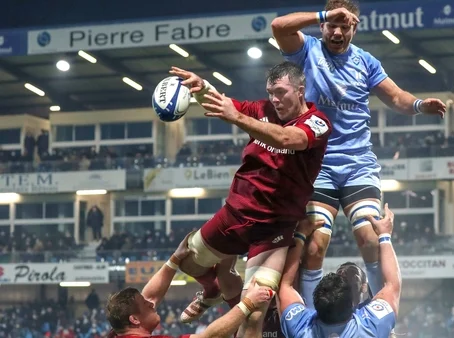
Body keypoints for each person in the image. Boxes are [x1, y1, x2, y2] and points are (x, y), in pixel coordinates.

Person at [271, 0, 446, 308]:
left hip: (357, 167)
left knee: (369, 237)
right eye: (332, 25)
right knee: (316, 244)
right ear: (323, 26)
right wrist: (322, 14)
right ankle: (315, 318)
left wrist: (419, 105)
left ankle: (381, 311)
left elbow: (396, 97)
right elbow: (278, 27)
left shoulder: (366, 62)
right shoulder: (307, 51)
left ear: (355, 28)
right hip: (317, 166)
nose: (337, 31)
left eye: (345, 25)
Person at [168, 62, 332, 335]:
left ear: (301, 90)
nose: (275, 100)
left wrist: (238, 118)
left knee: (254, 316)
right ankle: (211, 290)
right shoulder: (262, 110)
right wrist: (202, 87)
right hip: (234, 214)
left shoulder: (317, 122)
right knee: (187, 262)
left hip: (274, 230)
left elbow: (286, 138)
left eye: (281, 92)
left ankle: (226, 288)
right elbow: (224, 104)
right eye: (270, 93)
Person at [105, 232, 274, 338]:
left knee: (188, 263)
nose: (151, 303)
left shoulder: (119, 331)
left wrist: (175, 259)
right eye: (145, 305)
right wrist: (248, 304)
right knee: (253, 319)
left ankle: (211, 291)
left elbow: (150, 296)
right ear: (134, 319)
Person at [277, 203, 401, 337]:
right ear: (353, 306)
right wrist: (384, 235)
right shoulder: (373, 326)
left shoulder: (301, 329)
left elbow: (284, 285)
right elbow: (392, 284)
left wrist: (301, 234)